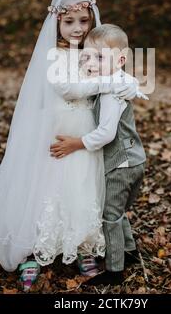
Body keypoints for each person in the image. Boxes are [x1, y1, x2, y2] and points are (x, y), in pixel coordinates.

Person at [0, 0, 137, 290]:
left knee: (81, 185)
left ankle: (81, 246)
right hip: (54, 129)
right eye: (70, 22)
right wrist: (112, 82)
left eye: (83, 20)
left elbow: (116, 72)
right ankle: (32, 251)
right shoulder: (54, 55)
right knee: (45, 185)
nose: (78, 28)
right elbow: (68, 89)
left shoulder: (92, 52)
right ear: (56, 23)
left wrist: (124, 83)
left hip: (85, 130)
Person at [50, 24, 148, 286]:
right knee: (118, 210)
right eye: (88, 56)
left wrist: (76, 143)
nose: (91, 63)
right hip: (132, 158)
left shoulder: (110, 93)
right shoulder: (115, 81)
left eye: (100, 57)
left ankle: (115, 271)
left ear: (121, 60)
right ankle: (129, 252)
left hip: (122, 162)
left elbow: (106, 133)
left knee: (110, 215)